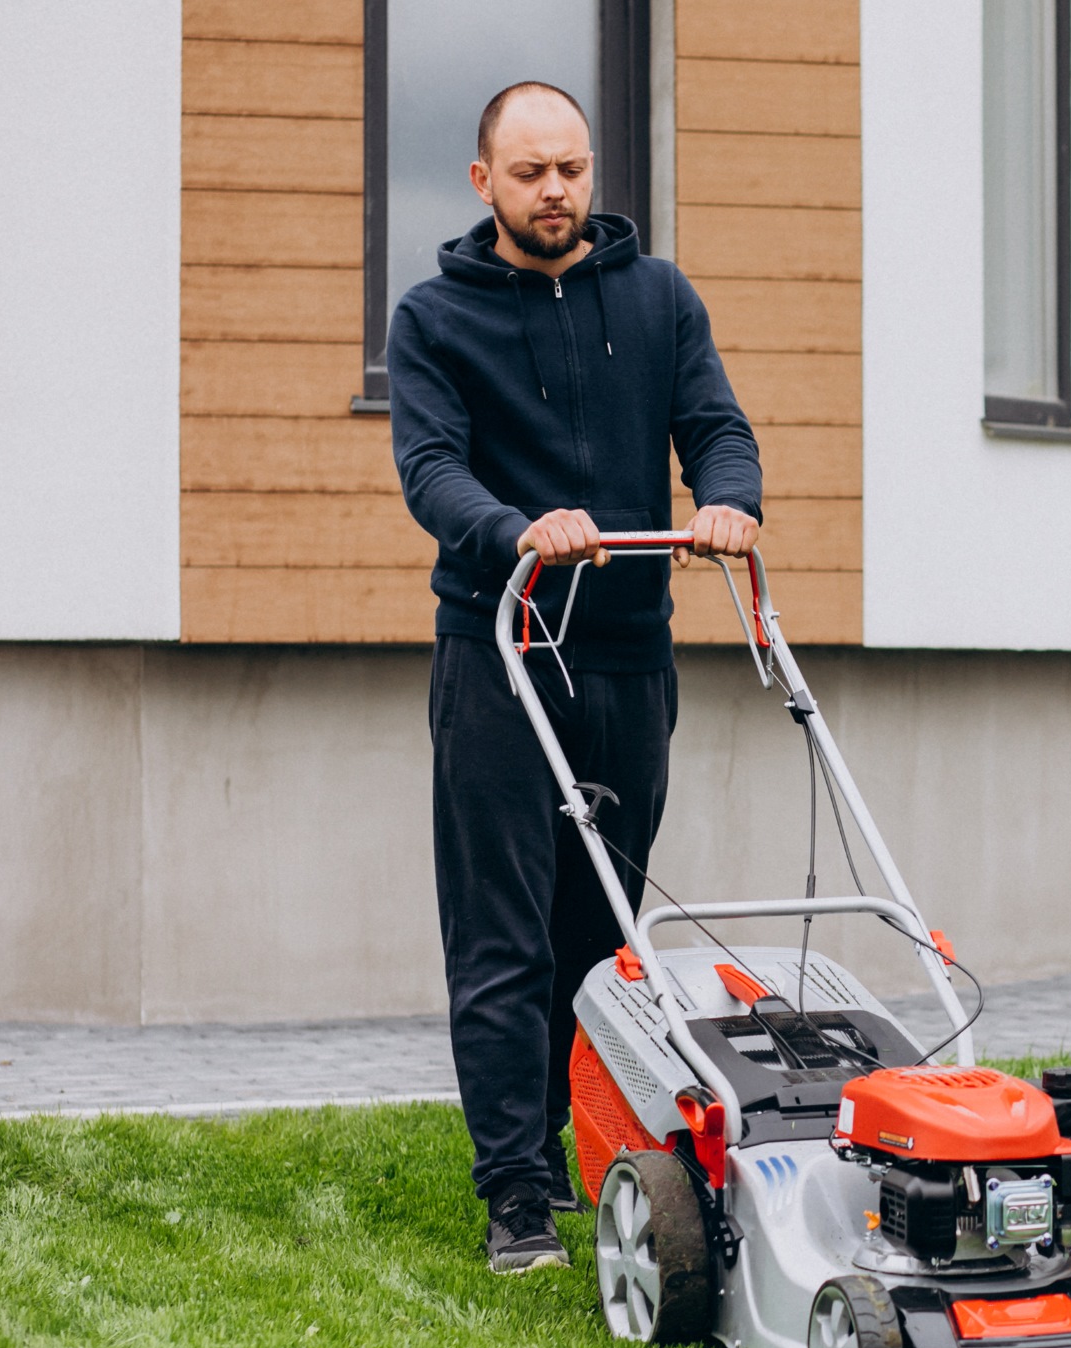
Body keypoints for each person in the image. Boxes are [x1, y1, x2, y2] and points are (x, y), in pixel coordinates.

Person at [388, 81, 761, 1274]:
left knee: (598, 926)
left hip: (625, 657)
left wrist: (726, 500)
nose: (555, 191)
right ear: (483, 182)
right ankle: (511, 1188)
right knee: (503, 932)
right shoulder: (435, 318)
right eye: (531, 171)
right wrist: (514, 528)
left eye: (573, 170)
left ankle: (565, 1138)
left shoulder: (657, 298)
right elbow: (430, 470)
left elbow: (716, 425)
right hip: (499, 650)